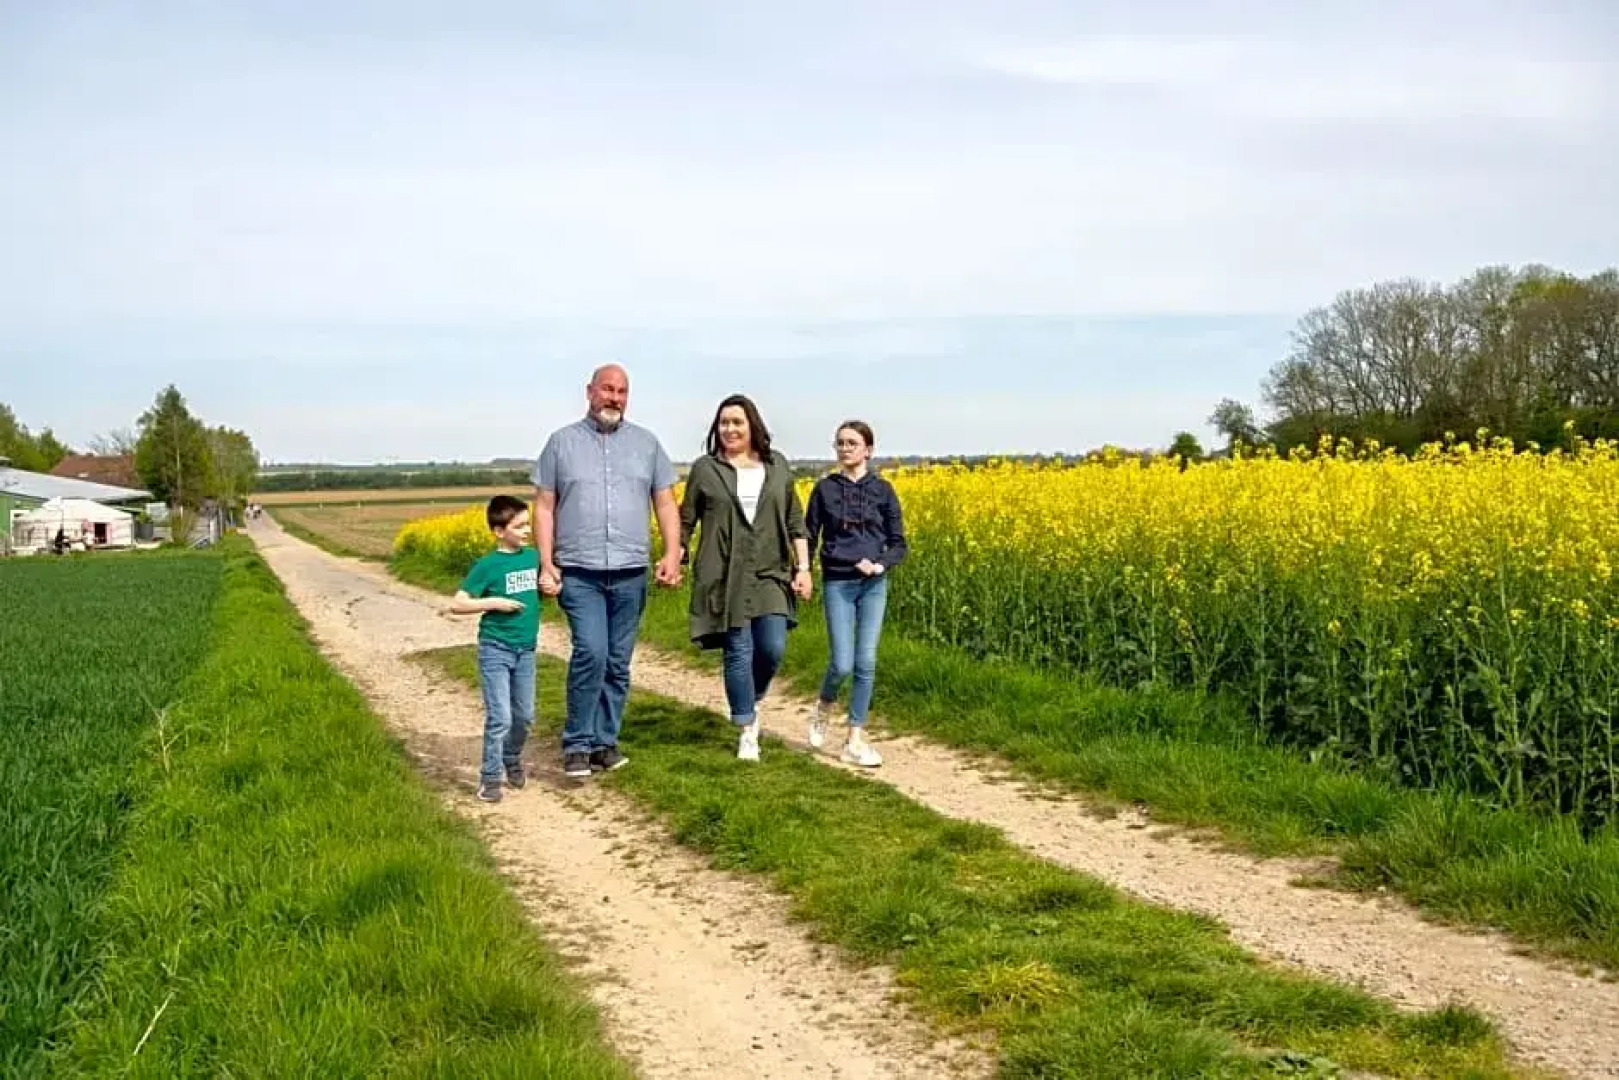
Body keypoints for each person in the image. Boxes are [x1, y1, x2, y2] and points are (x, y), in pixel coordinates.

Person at [534, 364, 683, 779]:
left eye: (622, 392)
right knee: (591, 652)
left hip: (630, 570)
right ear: (589, 392)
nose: (614, 398)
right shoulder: (561, 444)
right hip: (579, 571)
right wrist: (546, 561)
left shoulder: (647, 444)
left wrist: (673, 553)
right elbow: (545, 507)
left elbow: (666, 503)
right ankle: (577, 744)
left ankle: (604, 742)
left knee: (617, 661)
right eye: (607, 390)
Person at [679, 394, 812, 761]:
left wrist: (803, 569)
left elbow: (795, 521)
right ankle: (747, 728)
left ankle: (749, 697)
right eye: (724, 423)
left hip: (771, 571)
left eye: (737, 422)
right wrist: (676, 554)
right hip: (725, 573)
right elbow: (686, 518)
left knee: (772, 647)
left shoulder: (777, 465)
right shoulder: (706, 469)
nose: (730, 429)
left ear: (752, 425)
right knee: (739, 648)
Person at [804, 420, 907, 768]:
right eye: (840, 443)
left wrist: (879, 565)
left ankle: (854, 739)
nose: (845, 448)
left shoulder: (884, 490)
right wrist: (801, 572)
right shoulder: (824, 490)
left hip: (873, 584)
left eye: (852, 443)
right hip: (838, 582)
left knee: (866, 662)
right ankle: (823, 706)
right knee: (842, 663)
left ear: (868, 450)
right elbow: (809, 534)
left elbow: (899, 543)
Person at [449, 495, 553, 802]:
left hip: (526, 651)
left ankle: (512, 757)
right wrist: (495, 603)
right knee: (501, 718)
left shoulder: (533, 557)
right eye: (518, 526)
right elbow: (458, 603)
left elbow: (543, 589)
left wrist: (550, 587)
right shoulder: (487, 566)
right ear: (498, 531)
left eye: (526, 525)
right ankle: (490, 778)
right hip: (495, 649)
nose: (525, 531)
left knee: (525, 716)